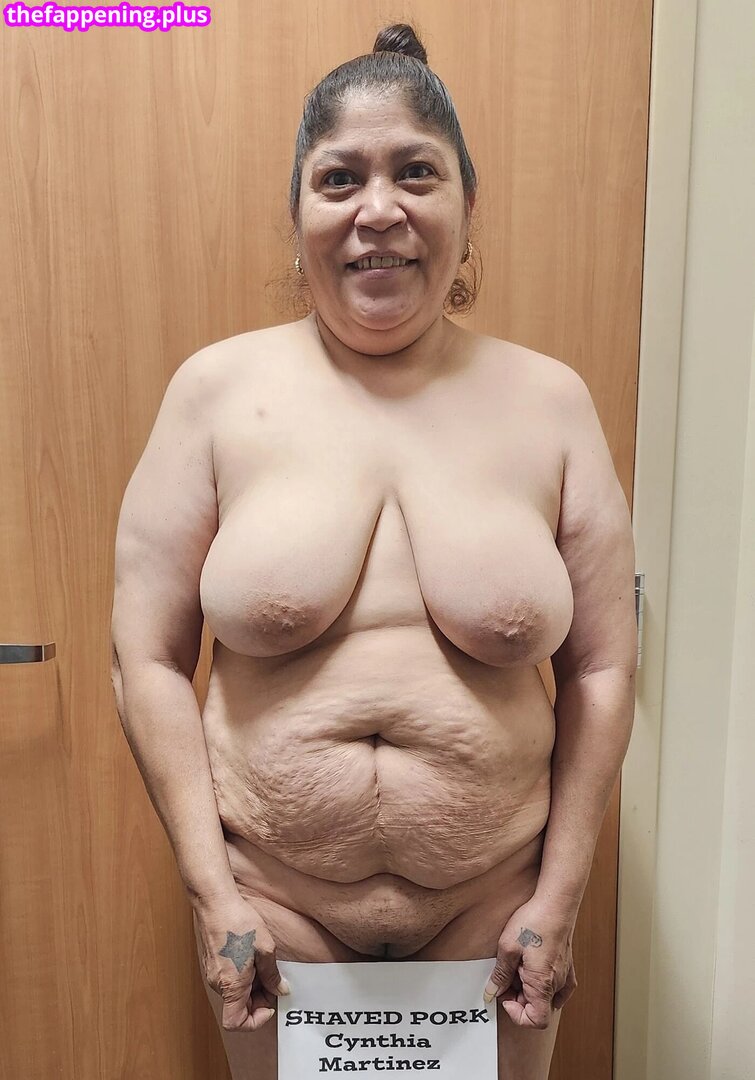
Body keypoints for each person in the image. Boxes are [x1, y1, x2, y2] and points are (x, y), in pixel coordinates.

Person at [109, 22, 637, 1080]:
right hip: (273, 915)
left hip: (496, 915)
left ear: (466, 204)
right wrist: (213, 896)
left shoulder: (549, 402)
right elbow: (147, 658)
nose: (377, 210)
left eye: (415, 173)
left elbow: (601, 666)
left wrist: (558, 898)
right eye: (339, 178)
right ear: (298, 212)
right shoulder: (215, 393)